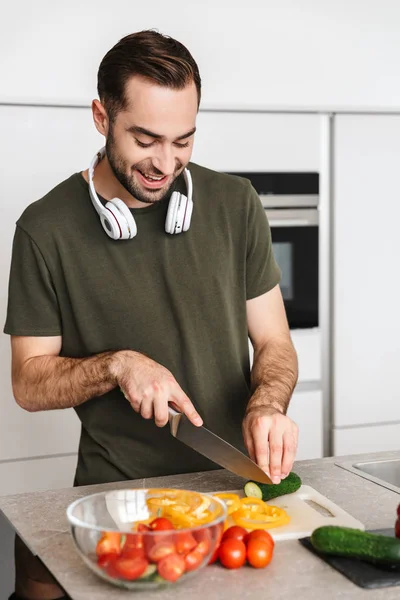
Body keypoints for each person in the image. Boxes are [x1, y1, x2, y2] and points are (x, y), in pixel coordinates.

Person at [4, 29, 298, 600]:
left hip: (235, 494)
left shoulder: (237, 204)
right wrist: (116, 366)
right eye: (145, 139)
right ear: (101, 116)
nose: (166, 163)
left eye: (183, 140)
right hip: (117, 502)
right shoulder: (44, 230)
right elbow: (27, 381)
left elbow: (274, 343)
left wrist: (267, 404)